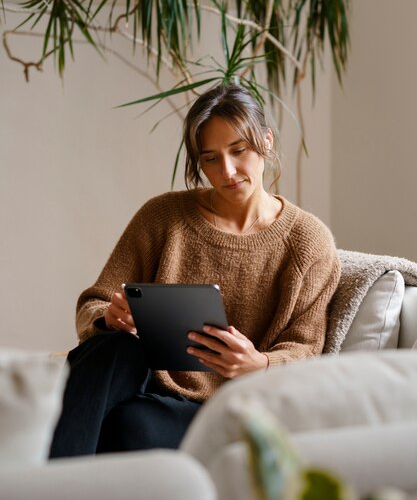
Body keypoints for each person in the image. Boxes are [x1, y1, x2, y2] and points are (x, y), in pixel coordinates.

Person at [49, 82, 341, 458]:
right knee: (114, 347)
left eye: (239, 151)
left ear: (266, 142)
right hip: (137, 377)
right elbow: (94, 302)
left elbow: (306, 348)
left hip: (224, 406)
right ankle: (41, 494)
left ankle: (37, 487)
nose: (228, 171)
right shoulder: (163, 217)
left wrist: (259, 363)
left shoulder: (307, 242)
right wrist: (108, 316)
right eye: (211, 159)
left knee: (128, 427)